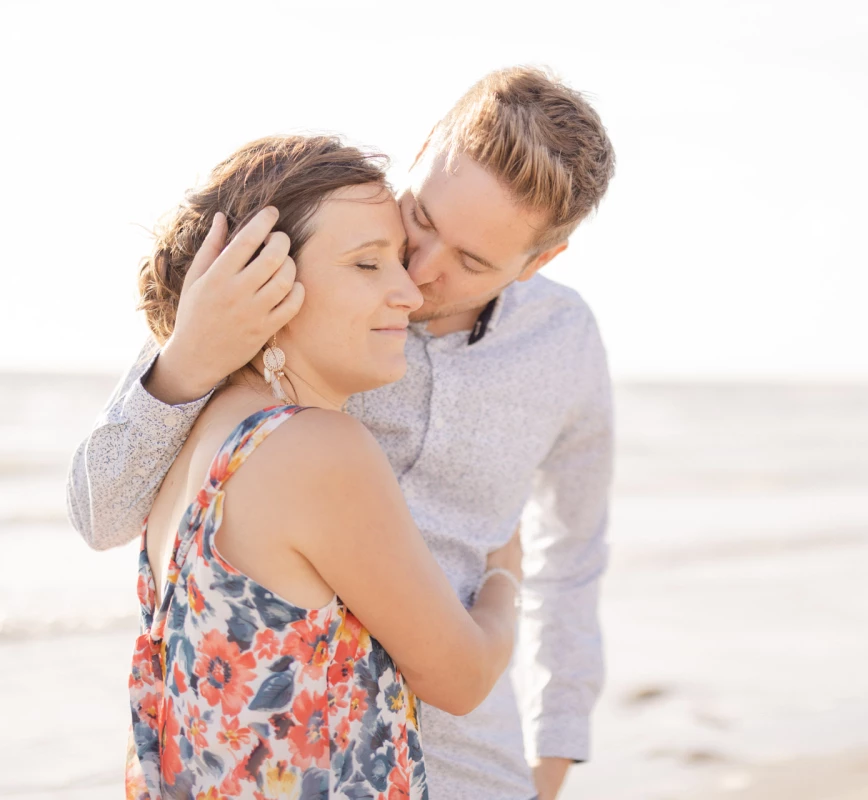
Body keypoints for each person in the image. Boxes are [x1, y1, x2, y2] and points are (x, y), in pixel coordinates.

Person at [69, 66, 616, 800]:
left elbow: (574, 559)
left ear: (538, 262)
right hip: (292, 756)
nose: (419, 273)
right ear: (422, 152)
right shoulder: (296, 272)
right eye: (423, 219)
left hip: (477, 767)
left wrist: (552, 762)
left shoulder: (564, 343)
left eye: (471, 262)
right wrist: (184, 360)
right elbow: (100, 515)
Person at [122, 134, 524, 799]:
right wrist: (506, 573)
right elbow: (462, 678)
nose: (409, 292)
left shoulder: (196, 436)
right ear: (262, 284)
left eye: (397, 259)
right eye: (367, 264)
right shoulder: (318, 449)